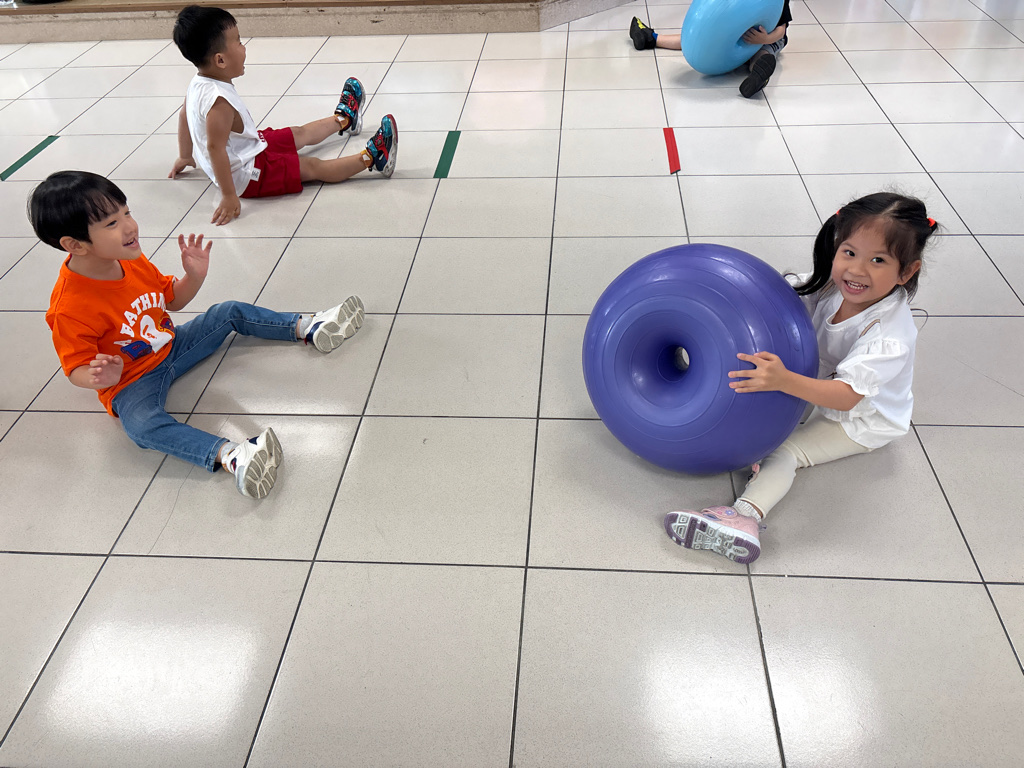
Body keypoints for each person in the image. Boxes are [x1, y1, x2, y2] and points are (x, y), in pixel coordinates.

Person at [32, 170, 365, 499]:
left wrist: (194, 277)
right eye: (112, 223)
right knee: (141, 426)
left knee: (227, 311)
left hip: (173, 345)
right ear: (74, 245)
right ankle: (234, 455)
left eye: (127, 212)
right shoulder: (69, 307)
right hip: (130, 382)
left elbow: (173, 301)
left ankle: (309, 326)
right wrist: (99, 377)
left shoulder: (128, 258)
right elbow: (74, 368)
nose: (130, 226)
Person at [664, 192, 938, 564]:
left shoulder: (889, 336)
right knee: (764, 406)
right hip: (817, 381)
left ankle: (744, 517)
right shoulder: (831, 285)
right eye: (849, 253)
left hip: (862, 419)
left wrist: (783, 380)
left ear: (906, 272)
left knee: (785, 451)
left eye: (878, 260)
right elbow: (787, 298)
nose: (857, 270)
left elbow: (847, 396)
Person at [168, 5, 398, 226]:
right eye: (238, 41)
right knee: (311, 166)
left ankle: (346, 119)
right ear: (220, 60)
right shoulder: (220, 104)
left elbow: (184, 116)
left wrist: (185, 156)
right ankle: (374, 157)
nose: (244, 47)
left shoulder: (197, 82)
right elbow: (215, 148)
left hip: (247, 147)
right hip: (246, 173)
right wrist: (229, 195)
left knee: (298, 133)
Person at [629, 0, 791, 98]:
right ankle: (651, 38)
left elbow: (781, 30)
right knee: (700, 37)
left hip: (767, 36)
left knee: (762, 52)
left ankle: (758, 74)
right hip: (738, 32)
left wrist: (764, 39)